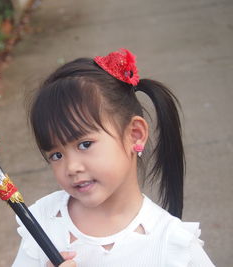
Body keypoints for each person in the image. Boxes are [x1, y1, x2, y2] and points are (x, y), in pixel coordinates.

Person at [12, 49, 214, 266]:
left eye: (85, 144)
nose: (71, 167)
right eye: (56, 155)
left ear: (134, 135)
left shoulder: (172, 246)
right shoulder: (44, 220)